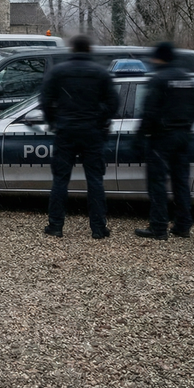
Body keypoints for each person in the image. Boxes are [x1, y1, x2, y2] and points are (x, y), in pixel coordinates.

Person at [39, 35, 119, 239]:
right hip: (92, 131)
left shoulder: (59, 72)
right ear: (89, 50)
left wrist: (54, 122)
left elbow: (45, 100)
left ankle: (56, 225)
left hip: (66, 130)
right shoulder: (100, 73)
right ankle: (98, 228)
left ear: (72, 50)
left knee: (60, 180)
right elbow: (113, 103)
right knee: (94, 180)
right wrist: (100, 120)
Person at [134, 42, 194, 240]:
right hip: (182, 137)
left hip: (161, 139)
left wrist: (140, 136)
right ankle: (183, 225)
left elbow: (150, 111)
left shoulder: (159, 79)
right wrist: (185, 130)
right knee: (181, 183)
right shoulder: (187, 79)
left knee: (158, 183)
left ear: (159, 58)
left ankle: (159, 227)